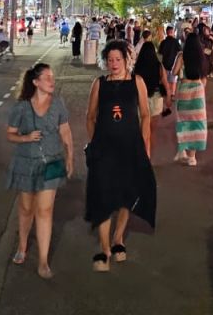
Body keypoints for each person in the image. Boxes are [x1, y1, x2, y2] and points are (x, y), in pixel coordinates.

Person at [85, 40, 156, 272]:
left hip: (131, 147)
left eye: (118, 59)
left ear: (127, 60)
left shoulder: (137, 82)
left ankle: (118, 239)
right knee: (104, 196)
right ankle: (104, 249)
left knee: (128, 193)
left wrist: (146, 145)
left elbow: (145, 115)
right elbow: (90, 116)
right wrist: (95, 142)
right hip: (105, 150)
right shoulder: (99, 83)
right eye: (110, 60)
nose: (114, 64)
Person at [6, 63, 74, 279]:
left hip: (52, 162)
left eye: (52, 77)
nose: (51, 81)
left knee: (45, 210)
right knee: (26, 208)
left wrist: (70, 157)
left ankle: (43, 261)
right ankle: (23, 245)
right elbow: (10, 134)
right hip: (26, 163)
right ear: (35, 82)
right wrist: (25, 138)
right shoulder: (21, 107)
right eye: (46, 78)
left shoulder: (58, 104)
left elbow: (66, 131)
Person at [174, 30, 208, 166]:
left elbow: (174, 72)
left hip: (184, 90)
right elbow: (204, 77)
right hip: (198, 90)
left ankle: (182, 149)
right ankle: (192, 157)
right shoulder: (202, 57)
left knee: (183, 121)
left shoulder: (182, 56)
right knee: (196, 122)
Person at [133, 39, 167, 128]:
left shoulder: (137, 66)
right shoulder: (159, 65)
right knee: (153, 126)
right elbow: (165, 81)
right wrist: (168, 97)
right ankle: (150, 140)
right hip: (156, 96)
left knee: (142, 124)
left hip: (141, 97)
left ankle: (143, 140)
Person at [158, 25, 181, 116]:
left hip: (165, 64)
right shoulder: (176, 42)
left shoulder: (163, 42)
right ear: (172, 32)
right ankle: (172, 94)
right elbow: (180, 51)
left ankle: (166, 94)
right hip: (173, 64)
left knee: (165, 81)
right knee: (173, 81)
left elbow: (160, 53)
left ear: (167, 32)